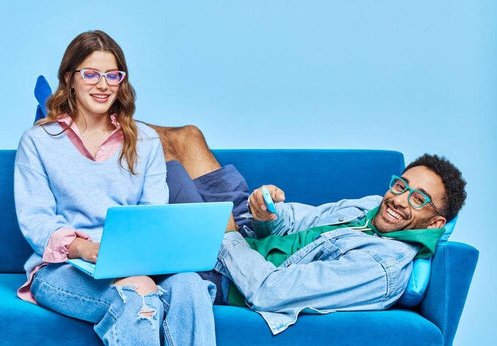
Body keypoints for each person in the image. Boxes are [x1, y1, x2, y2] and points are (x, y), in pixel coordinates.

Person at [14, 30, 219, 346]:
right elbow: (36, 221)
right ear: (70, 79)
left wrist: (131, 262)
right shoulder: (39, 141)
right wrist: (89, 250)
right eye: (91, 74)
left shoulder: (145, 141)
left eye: (113, 75)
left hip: (137, 263)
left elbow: (152, 217)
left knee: (189, 286)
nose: (103, 84)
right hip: (64, 268)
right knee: (136, 301)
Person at [153, 130, 467, 335]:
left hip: (231, 272)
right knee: (185, 138)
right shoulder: (372, 208)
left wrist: (226, 235)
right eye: (401, 186)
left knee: (166, 165)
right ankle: (103, 119)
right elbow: (299, 222)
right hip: (245, 232)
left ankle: (103, 225)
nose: (398, 199)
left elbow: (269, 292)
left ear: (434, 223)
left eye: (418, 199)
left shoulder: (383, 266)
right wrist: (267, 211)